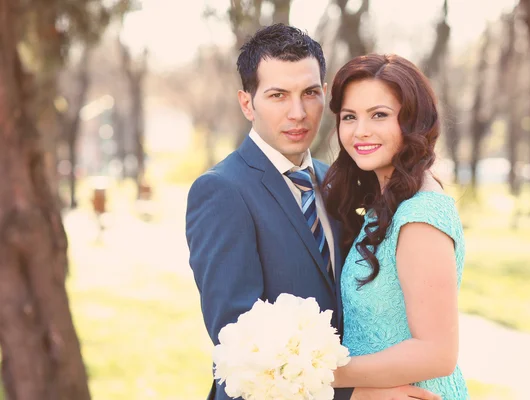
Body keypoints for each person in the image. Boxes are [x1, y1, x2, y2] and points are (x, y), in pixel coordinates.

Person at [185, 24, 440, 400]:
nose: (298, 112)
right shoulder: (222, 191)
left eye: (309, 93)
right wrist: (355, 395)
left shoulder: (335, 179)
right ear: (246, 103)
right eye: (277, 95)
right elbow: (239, 343)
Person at [323, 54, 470, 400]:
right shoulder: (389, 201)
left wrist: (316, 372)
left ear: (413, 121)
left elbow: (437, 352)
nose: (361, 131)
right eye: (349, 117)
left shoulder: (419, 216)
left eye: (379, 115)